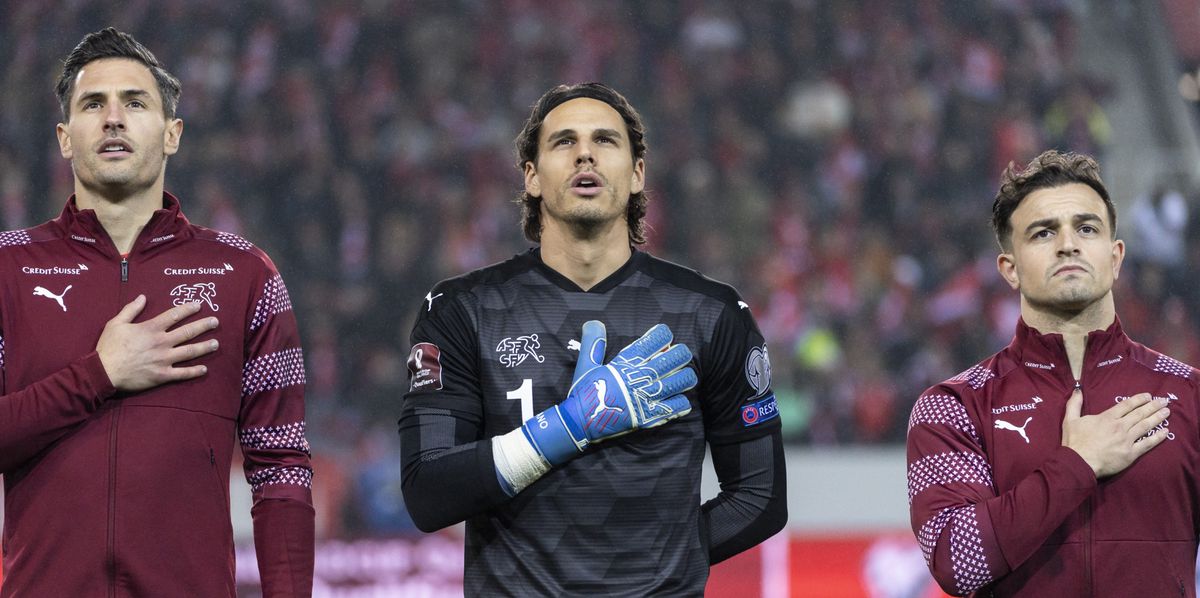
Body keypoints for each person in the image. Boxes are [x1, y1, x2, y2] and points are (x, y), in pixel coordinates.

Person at [398, 82, 787, 595]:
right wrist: (566, 427)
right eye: (563, 142)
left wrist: (656, 565)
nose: (585, 152)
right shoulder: (462, 311)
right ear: (532, 178)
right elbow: (428, 492)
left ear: (636, 173)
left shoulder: (711, 314)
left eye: (605, 140)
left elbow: (761, 497)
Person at [0, 28, 313, 596]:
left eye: (135, 103)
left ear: (172, 135)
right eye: (93, 104)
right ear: (65, 139)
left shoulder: (246, 274)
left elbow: (282, 470)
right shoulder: (7, 269)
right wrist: (98, 375)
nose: (113, 119)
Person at [907, 150, 1196, 596]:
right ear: (1010, 269)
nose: (1068, 243)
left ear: (1116, 257)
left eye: (1086, 228)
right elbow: (956, 559)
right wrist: (1077, 463)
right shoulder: (953, 406)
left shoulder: (1191, 395)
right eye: (1043, 233)